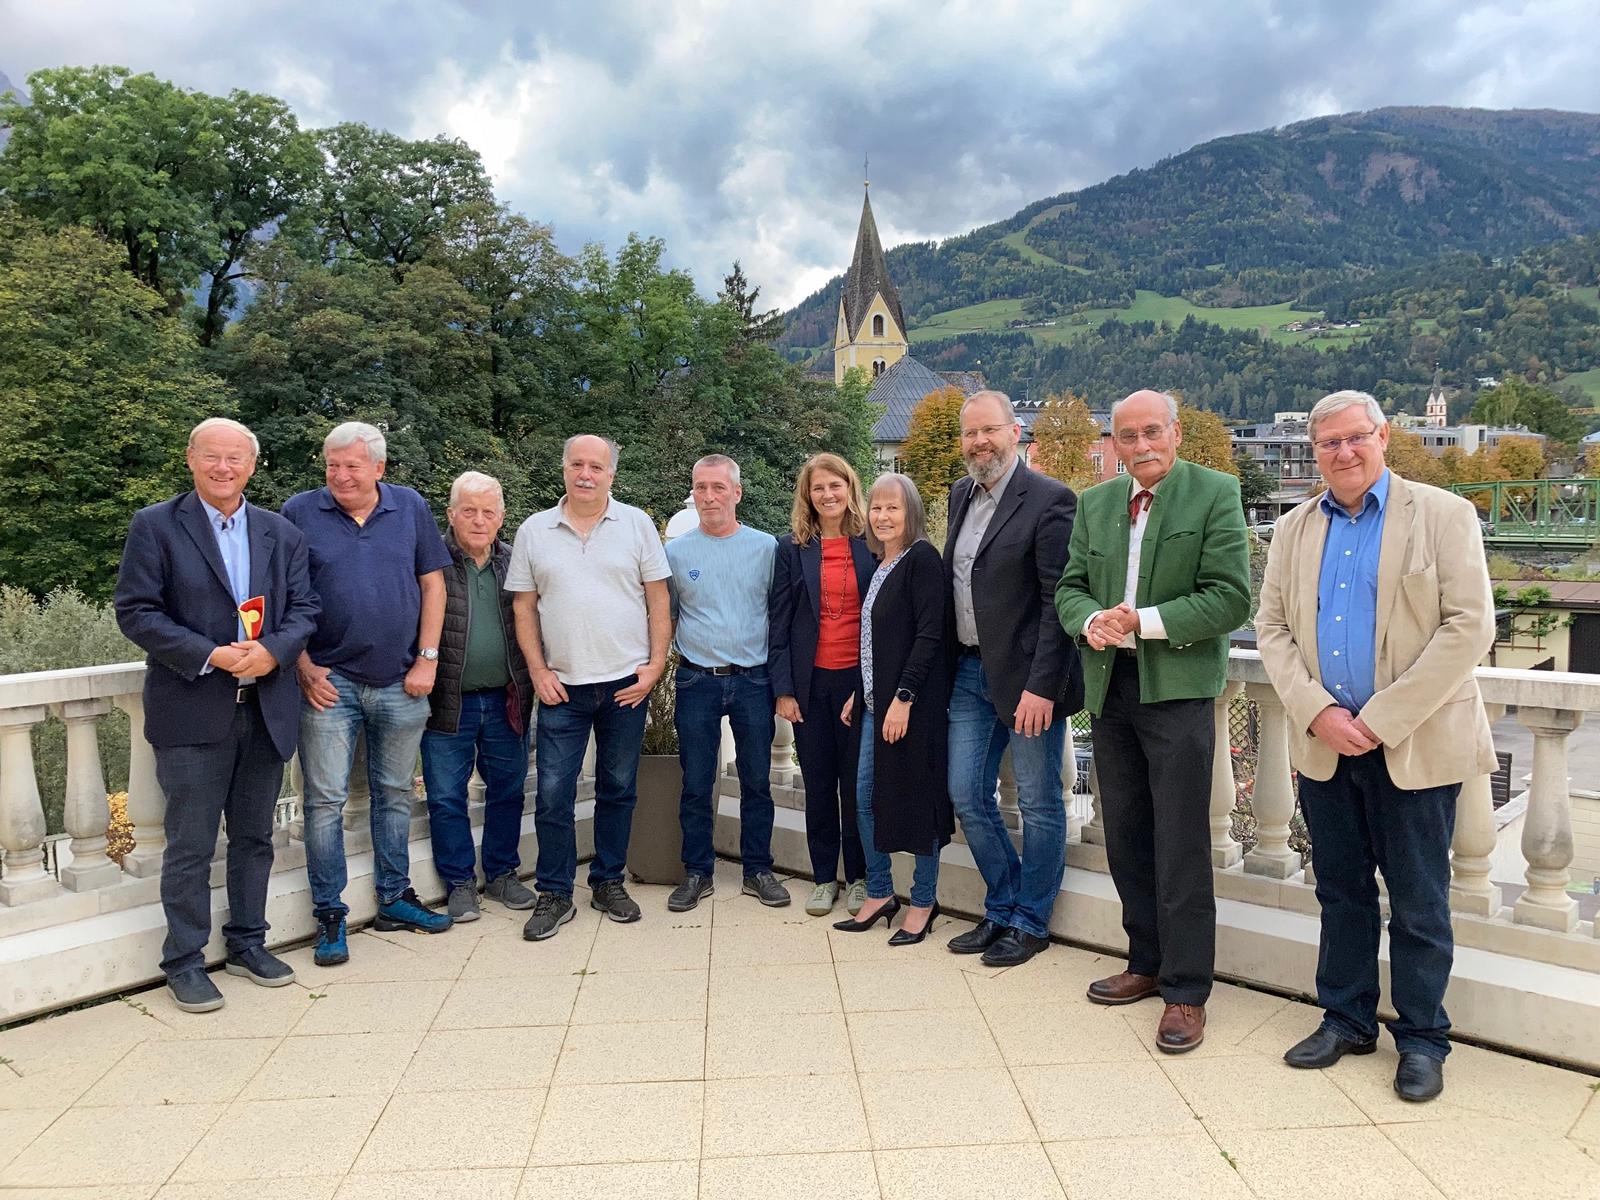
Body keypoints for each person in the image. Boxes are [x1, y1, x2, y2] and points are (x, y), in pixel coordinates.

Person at [1256, 389, 1495, 1102]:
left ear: (1383, 436)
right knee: (1341, 892)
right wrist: (1320, 711)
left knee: (1419, 901)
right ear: (1314, 452)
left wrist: (1381, 719)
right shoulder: (1293, 528)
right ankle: (1347, 1019)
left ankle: (1422, 1040)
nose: (1344, 452)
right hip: (1326, 745)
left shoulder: (1444, 515)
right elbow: (1272, 629)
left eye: (1356, 437)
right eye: (1328, 442)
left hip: (1414, 746)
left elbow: (1469, 627)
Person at [1055, 389, 1252, 1054]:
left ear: (1175, 433)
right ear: (1113, 443)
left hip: (1178, 692)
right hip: (1111, 689)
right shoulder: (1095, 503)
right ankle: (1145, 961)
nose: (1140, 446)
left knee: (1182, 844)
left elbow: (1230, 598)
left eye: (1151, 432)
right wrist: (1092, 620)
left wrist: (1143, 621)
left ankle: (1186, 990)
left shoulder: (1215, 493)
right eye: (1127, 436)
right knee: (1127, 836)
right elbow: (1069, 587)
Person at [114, 418, 320, 1012]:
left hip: (265, 708)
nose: (223, 468)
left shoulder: (280, 532)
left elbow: (305, 609)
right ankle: (184, 961)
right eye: (212, 456)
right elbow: (136, 611)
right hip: (192, 709)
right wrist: (210, 654)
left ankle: (248, 943)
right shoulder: (156, 525)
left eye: (235, 458)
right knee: (190, 845)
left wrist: (272, 652)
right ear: (191, 459)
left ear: (252, 465)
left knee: (255, 838)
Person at [283, 421, 455, 967]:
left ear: (378, 467)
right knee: (324, 802)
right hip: (328, 684)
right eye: (332, 466)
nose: (340, 476)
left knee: (395, 793)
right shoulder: (299, 512)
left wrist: (428, 658)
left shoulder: (409, 507)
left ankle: (395, 898)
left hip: (402, 680)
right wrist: (303, 666)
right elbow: (283, 596)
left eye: (352, 466)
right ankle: (330, 914)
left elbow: (433, 583)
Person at [507, 434, 672, 940]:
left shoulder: (636, 525)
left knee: (618, 789)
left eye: (596, 467)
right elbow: (524, 607)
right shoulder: (534, 530)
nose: (585, 474)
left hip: (625, 685)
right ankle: (555, 893)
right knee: (553, 794)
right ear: (564, 469)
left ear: (610, 475)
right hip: (562, 686)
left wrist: (655, 667)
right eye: (577, 464)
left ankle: (607, 882)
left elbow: (659, 600)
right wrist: (538, 671)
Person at [943, 390, 1083, 967]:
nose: (980, 442)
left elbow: (1058, 602)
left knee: (1039, 801)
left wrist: (1043, 686)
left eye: (989, 430)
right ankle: (1001, 905)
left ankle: (1031, 920)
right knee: (966, 793)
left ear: (1015, 432)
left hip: (1028, 679)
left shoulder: (1051, 499)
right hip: (968, 670)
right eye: (970, 433)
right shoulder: (960, 494)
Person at [664, 455, 787, 910]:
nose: (709, 496)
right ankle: (697, 872)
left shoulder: (766, 548)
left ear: (737, 492)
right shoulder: (676, 553)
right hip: (696, 680)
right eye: (701, 487)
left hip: (754, 681)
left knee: (756, 781)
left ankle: (758, 870)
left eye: (718, 487)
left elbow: (780, 616)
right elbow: (666, 616)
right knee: (696, 782)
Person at [833, 473, 952, 944]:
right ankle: (881, 892)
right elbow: (874, 641)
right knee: (862, 796)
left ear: (911, 513)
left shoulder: (922, 559)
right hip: (873, 702)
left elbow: (929, 635)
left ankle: (923, 901)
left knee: (921, 800)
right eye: (876, 508)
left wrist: (903, 698)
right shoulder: (882, 562)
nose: (882, 516)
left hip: (910, 706)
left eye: (893, 508)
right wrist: (860, 691)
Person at [420, 471, 536, 923]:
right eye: (469, 510)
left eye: (489, 512)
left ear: (501, 518)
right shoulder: (431, 562)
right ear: (451, 514)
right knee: (446, 796)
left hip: (507, 698)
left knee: (507, 790)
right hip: (449, 699)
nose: (479, 520)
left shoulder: (515, 563)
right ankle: (460, 884)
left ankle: (503, 874)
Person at [768, 453, 876, 917]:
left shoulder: (872, 544)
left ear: (850, 488)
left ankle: (860, 877)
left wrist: (868, 685)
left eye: (836, 485)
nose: (828, 494)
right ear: (807, 496)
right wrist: (783, 689)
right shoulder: (791, 549)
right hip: (810, 686)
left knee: (856, 786)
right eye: (818, 488)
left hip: (858, 683)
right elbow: (779, 621)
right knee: (818, 784)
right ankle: (823, 878)